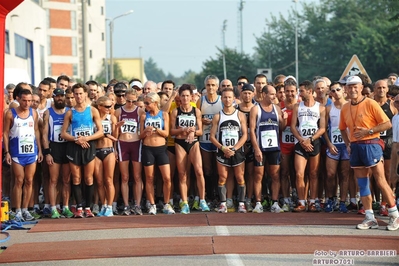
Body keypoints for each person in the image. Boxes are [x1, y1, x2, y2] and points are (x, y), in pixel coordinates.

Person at [339, 75, 398, 231]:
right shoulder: (345, 107)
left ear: (360, 88)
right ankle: (370, 217)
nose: (352, 89)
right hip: (356, 147)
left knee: (380, 180)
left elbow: (387, 123)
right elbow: (342, 128)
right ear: (346, 89)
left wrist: (369, 131)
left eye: (355, 86)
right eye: (349, 86)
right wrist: (348, 144)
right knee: (363, 184)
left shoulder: (370, 103)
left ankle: (394, 214)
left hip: (371, 144)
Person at [61, 83, 104, 218]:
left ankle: (88, 207)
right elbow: (63, 133)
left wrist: (87, 138)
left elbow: (101, 131)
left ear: (86, 94)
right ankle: (79, 207)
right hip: (74, 146)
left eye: (81, 93)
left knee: (88, 177)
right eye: (76, 94)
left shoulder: (92, 110)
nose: (79, 96)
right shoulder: (70, 112)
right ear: (73, 95)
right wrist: (76, 139)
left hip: (88, 146)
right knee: (76, 178)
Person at [3, 89, 43, 221]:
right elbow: (5, 133)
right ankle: (17, 210)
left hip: (31, 152)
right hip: (16, 152)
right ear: (18, 99)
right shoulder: (10, 113)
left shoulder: (34, 113)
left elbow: (36, 131)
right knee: (19, 181)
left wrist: (40, 150)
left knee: (29, 181)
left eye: (29, 100)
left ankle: (25, 209)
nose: (27, 103)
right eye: (24, 100)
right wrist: (7, 152)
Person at [170, 84, 210, 213]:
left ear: (192, 97)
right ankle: (185, 202)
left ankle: (202, 200)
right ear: (179, 97)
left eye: (187, 96)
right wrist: (183, 129)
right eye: (183, 96)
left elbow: (200, 131)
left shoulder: (196, 111)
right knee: (182, 174)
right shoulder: (175, 111)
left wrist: (193, 131)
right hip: (180, 143)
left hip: (194, 143)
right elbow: (172, 131)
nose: (185, 98)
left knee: (199, 171)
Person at [210, 88, 248, 213]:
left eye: (229, 97)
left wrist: (234, 148)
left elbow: (245, 135)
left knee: (239, 177)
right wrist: (222, 148)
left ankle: (241, 203)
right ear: (221, 99)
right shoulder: (217, 116)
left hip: (236, 151)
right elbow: (212, 136)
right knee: (222, 177)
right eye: (225, 97)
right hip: (222, 151)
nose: (227, 99)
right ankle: (223, 203)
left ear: (234, 99)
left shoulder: (240, 114)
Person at [250, 85, 287, 213]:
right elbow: (252, 131)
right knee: (259, 175)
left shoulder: (277, 108)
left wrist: (284, 119)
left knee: (275, 175)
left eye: (274, 94)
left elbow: (282, 128)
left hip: (274, 148)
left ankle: (275, 203)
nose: (274, 96)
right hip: (261, 147)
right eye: (271, 94)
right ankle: (258, 203)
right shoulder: (255, 109)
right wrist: (256, 149)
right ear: (264, 94)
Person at [290, 80, 326, 212]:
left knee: (313, 173)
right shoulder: (297, 107)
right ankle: (301, 202)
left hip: (314, 142)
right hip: (300, 143)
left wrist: (310, 139)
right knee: (299, 174)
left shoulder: (320, 107)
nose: (300, 93)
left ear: (310, 91)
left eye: (302, 91)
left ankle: (312, 201)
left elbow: (322, 128)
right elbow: (293, 126)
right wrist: (302, 140)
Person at [139, 92, 175, 215]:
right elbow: (140, 136)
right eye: (145, 103)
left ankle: (166, 203)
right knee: (149, 178)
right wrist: (146, 131)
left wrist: (156, 129)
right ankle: (152, 204)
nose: (146, 105)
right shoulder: (144, 116)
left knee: (167, 178)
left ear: (155, 103)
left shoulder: (164, 115)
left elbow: (166, 134)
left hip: (161, 149)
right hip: (148, 148)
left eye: (147, 103)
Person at [41, 88, 73, 218]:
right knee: (53, 180)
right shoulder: (47, 113)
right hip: (54, 147)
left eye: (62, 96)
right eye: (57, 96)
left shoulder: (69, 112)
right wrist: (47, 152)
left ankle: (65, 206)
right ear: (53, 98)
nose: (60, 98)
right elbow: (44, 134)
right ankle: (53, 208)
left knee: (66, 179)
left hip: (67, 146)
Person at [115, 89, 144, 215]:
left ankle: (137, 204)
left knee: (137, 176)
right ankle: (126, 205)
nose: (130, 103)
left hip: (136, 144)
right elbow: (115, 134)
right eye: (128, 101)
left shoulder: (140, 111)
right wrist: (117, 126)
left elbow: (142, 131)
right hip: (123, 144)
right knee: (125, 177)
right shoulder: (118, 111)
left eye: (133, 101)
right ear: (124, 98)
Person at [323, 82, 350, 213]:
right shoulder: (328, 108)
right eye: (333, 91)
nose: (336, 92)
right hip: (333, 145)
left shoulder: (350, 106)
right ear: (330, 93)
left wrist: (350, 143)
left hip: (347, 146)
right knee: (330, 174)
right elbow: (323, 129)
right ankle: (330, 199)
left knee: (344, 174)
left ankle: (343, 202)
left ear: (343, 90)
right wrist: (329, 143)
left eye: (338, 89)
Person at [196, 75, 223, 206]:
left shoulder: (222, 100)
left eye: (213, 85)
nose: (210, 88)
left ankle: (219, 195)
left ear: (218, 87)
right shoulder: (201, 101)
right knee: (207, 168)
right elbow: (195, 118)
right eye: (208, 85)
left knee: (219, 169)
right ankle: (209, 195)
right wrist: (201, 120)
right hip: (205, 140)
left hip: (219, 140)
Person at [373, 79, 398, 216]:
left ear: (387, 89)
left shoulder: (392, 105)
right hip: (374, 141)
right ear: (375, 90)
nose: (381, 90)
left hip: (388, 142)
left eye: (383, 88)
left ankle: (385, 203)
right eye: (379, 88)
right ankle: (372, 202)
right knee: (373, 174)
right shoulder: (370, 103)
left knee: (388, 174)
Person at [93, 96, 117, 217]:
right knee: (99, 181)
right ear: (100, 107)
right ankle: (103, 204)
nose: (109, 108)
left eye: (111, 106)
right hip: (96, 151)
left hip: (109, 150)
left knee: (109, 180)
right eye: (107, 106)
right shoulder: (93, 119)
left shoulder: (112, 118)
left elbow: (115, 137)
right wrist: (105, 135)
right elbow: (93, 134)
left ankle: (109, 206)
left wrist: (116, 128)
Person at [279, 79, 299, 212]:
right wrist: (284, 120)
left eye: (292, 91)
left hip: (298, 143)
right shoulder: (278, 106)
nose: (290, 94)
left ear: (296, 92)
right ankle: (286, 199)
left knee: (298, 173)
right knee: (285, 172)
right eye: (287, 91)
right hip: (284, 144)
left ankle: (298, 197)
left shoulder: (301, 106)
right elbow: (278, 128)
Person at [237, 83, 256, 211]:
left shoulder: (257, 108)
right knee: (239, 174)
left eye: (249, 93)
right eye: (245, 93)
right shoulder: (235, 108)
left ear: (253, 94)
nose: (247, 95)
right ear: (241, 94)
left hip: (253, 143)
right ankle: (239, 199)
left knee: (250, 173)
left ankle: (248, 198)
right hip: (238, 144)